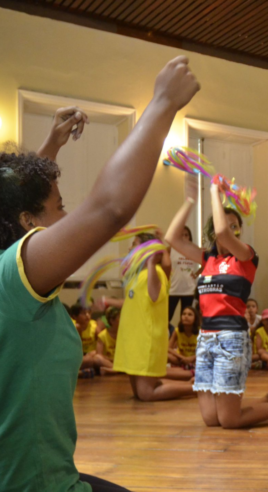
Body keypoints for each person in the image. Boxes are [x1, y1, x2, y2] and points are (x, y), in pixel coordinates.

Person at [0, 57, 199, 492]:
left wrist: (50, 146)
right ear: (30, 223)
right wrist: (163, 103)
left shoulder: (6, 271)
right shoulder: (15, 277)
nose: (69, 217)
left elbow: (19, 207)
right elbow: (108, 208)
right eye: (61, 209)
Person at [166, 172, 268, 428]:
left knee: (229, 421)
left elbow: (223, 233)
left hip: (231, 339)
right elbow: (172, 238)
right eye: (225, 225)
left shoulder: (246, 256)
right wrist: (188, 200)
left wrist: (214, 192)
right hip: (205, 338)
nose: (230, 230)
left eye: (235, 227)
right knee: (211, 419)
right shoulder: (208, 259)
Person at [113, 233, 195, 399]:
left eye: (134, 244)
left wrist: (151, 261)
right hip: (133, 340)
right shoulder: (137, 275)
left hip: (146, 339)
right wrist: (108, 301)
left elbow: (154, 295)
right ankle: (190, 384)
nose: (130, 248)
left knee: (146, 394)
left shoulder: (156, 272)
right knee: (139, 393)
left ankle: (195, 388)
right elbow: (132, 302)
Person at [168, 225, 198, 322]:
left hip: (188, 289)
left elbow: (207, 261)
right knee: (167, 317)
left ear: (190, 237)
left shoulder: (194, 250)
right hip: (173, 289)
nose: (184, 237)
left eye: (186, 235)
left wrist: (197, 274)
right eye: (182, 235)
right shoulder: (171, 249)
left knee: (186, 320)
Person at [95, 307, 120, 375]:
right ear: (112, 320)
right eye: (120, 318)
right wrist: (111, 360)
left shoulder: (125, 334)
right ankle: (116, 370)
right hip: (109, 362)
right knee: (97, 357)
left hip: (122, 362)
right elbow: (99, 354)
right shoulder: (102, 336)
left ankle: (113, 370)